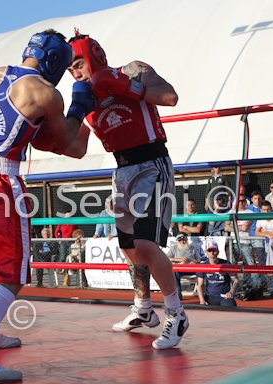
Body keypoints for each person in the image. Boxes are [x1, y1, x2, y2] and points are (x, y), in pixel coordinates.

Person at [0, 29, 96, 383]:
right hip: (1, 181)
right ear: (56, 62)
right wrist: (79, 107)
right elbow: (69, 143)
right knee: (11, 271)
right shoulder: (45, 93)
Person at [66, 31, 189, 349]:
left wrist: (128, 87)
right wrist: (47, 132)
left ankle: (176, 313)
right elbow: (77, 149)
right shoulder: (86, 96)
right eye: (70, 69)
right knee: (129, 247)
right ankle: (143, 308)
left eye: (78, 64)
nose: (75, 73)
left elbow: (171, 97)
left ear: (93, 56)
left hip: (152, 163)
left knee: (146, 244)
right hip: (122, 172)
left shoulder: (133, 70)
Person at [196, 242, 240, 307]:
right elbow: (199, 285)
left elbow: (236, 280)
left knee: (230, 308)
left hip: (224, 296)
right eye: (210, 251)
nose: (212, 253)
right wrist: (202, 300)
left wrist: (231, 292)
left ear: (218, 252)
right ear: (206, 252)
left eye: (214, 251)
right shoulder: (203, 265)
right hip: (209, 296)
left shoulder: (226, 264)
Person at [255, 201, 273, 295]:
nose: (266, 211)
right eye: (264, 210)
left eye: (268, 209)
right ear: (261, 210)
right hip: (269, 244)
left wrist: (265, 232)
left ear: (271, 209)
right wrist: (268, 235)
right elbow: (257, 232)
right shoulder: (260, 219)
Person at [167, 233, 203, 298]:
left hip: (192, 268)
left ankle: (198, 290)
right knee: (174, 271)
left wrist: (195, 261)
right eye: (180, 240)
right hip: (180, 269)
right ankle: (178, 292)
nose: (182, 242)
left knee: (200, 271)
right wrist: (178, 259)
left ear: (186, 239)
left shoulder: (192, 248)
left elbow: (199, 258)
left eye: (183, 240)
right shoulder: (174, 248)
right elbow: (167, 258)